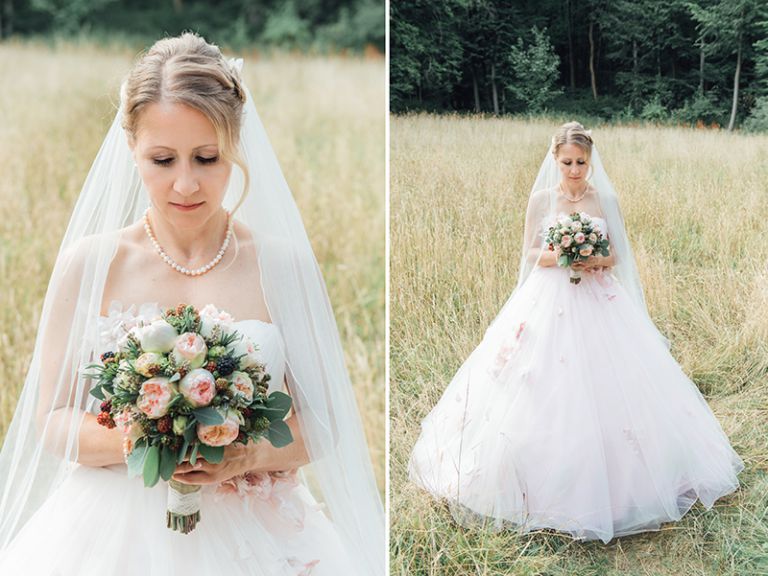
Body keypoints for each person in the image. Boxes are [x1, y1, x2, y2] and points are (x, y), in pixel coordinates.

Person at [0, 33, 384, 575]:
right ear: (131, 147)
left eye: (207, 157)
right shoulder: (88, 264)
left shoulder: (283, 265)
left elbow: (322, 423)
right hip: (111, 528)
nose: (186, 183)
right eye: (162, 159)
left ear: (236, 147)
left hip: (258, 528)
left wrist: (243, 454)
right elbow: (54, 419)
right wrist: (144, 432)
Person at [408, 121, 744, 543]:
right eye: (566, 162)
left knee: (611, 381)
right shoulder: (541, 199)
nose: (573, 170)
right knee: (536, 379)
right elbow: (530, 250)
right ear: (554, 159)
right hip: (548, 295)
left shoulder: (603, 199)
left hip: (599, 298)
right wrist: (562, 253)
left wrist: (593, 260)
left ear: (590, 160)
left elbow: (617, 254)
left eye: (581, 162)